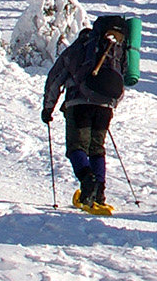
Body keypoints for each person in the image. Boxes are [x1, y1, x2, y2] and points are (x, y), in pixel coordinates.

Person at [41, 15, 131, 214]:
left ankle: (87, 180)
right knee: (97, 148)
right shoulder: (116, 51)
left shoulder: (78, 49)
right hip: (106, 106)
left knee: (77, 147)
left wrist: (48, 108)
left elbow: (55, 78)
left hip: (79, 104)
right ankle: (98, 194)